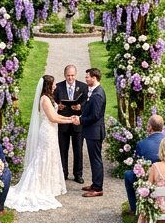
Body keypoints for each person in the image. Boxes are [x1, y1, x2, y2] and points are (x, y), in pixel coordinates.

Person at [6, 75, 76, 212]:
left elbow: (56, 115)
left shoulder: (49, 98)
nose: (55, 86)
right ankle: (41, 185)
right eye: (53, 84)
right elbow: (53, 118)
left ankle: (49, 184)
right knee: (44, 156)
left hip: (51, 131)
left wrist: (69, 117)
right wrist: (70, 120)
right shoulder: (44, 99)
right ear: (48, 85)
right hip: (47, 131)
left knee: (51, 155)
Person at [124, 114, 165, 214]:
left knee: (128, 174)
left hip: (148, 178)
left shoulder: (142, 144)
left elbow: (137, 166)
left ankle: (134, 209)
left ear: (150, 127)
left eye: (148, 125)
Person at [53, 65, 88, 183]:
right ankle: (63, 173)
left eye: (72, 75)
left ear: (76, 75)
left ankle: (78, 174)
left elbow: (87, 104)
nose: (70, 78)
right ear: (64, 75)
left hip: (77, 123)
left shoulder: (83, 87)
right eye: (68, 75)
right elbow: (53, 103)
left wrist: (80, 107)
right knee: (63, 149)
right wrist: (59, 106)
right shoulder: (58, 87)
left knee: (78, 149)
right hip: (63, 123)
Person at [77, 68, 107, 198]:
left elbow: (94, 116)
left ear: (94, 78)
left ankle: (98, 188)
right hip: (91, 131)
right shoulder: (94, 91)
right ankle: (95, 184)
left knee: (96, 160)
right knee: (94, 159)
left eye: (88, 77)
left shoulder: (98, 94)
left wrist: (80, 120)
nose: (86, 79)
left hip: (94, 132)